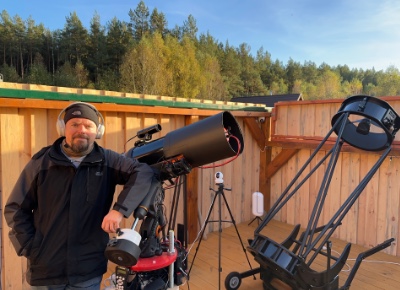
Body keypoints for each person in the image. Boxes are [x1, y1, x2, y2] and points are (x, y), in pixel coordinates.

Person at [4, 102, 155, 289]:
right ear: (63, 128)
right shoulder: (41, 163)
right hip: (45, 271)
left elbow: (143, 173)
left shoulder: (107, 160)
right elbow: (15, 208)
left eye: (88, 125)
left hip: (87, 271)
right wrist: (29, 247)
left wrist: (119, 211)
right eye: (74, 124)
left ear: (97, 131)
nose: (81, 130)